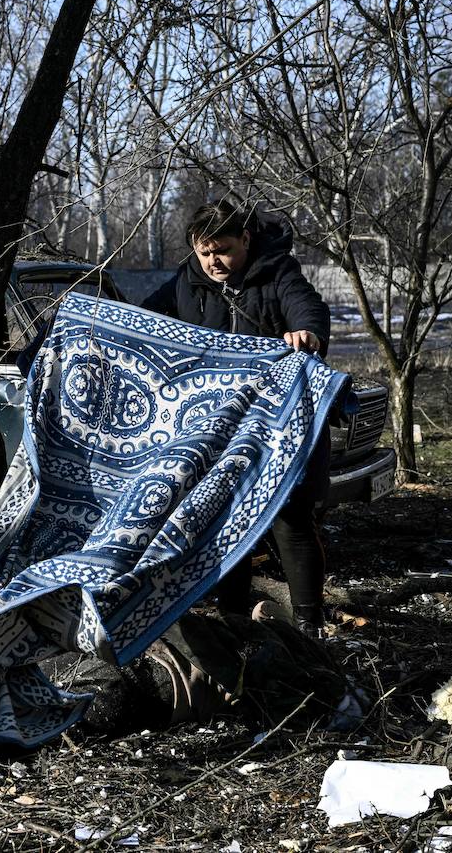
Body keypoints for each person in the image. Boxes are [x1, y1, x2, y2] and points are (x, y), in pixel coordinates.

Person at [0, 608, 355, 809]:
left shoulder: (228, 631)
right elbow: (282, 705)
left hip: (111, 659)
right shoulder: (266, 656)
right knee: (19, 732)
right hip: (139, 688)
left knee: (10, 712)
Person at [140, 200, 332, 637]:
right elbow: (144, 320)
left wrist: (307, 333)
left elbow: (308, 309)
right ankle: (233, 621)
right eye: (204, 252)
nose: (213, 262)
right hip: (219, 426)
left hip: (281, 422)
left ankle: (310, 624)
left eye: (222, 250)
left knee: (290, 519)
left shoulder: (278, 271)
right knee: (226, 518)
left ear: (245, 240)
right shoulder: (185, 282)